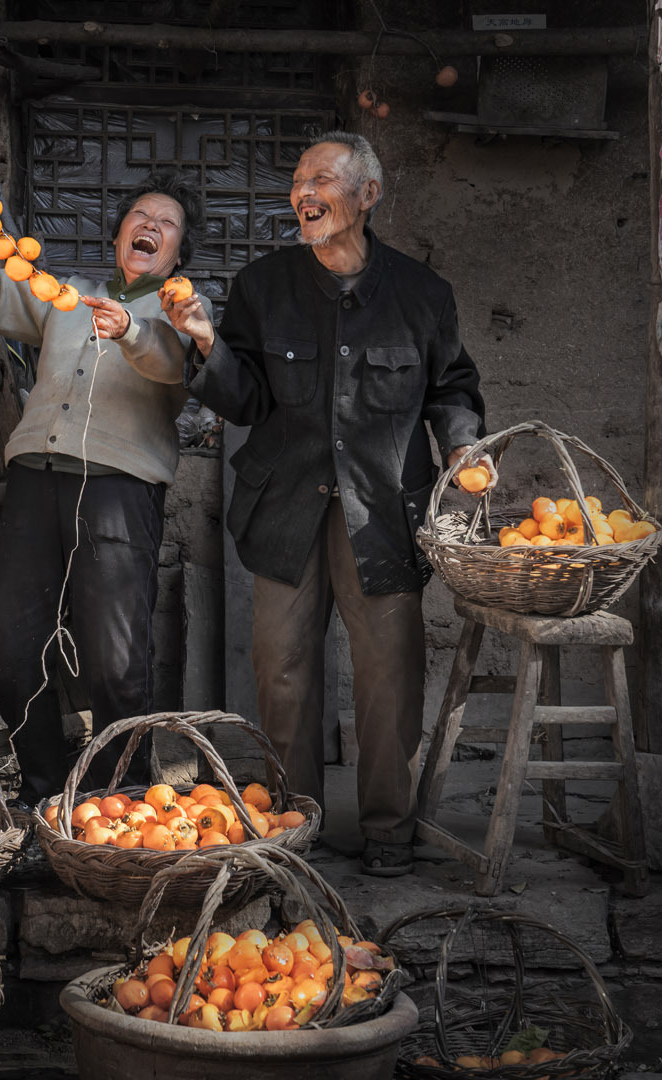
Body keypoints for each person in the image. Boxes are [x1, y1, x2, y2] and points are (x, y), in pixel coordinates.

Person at [147, 131, 494, 876]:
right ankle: (291, 827)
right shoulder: (263, 286)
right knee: (282, 671)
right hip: (285, 509)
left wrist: (464, 447)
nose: (304, 190)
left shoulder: (421, 295)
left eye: (324, 179)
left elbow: (451, 390)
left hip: (382, 515)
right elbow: (243, 400)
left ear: (367, 195)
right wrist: (207, 342)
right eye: (299, 178)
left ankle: (387, 834)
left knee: (387, 678)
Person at [0, 145, 211, 805]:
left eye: (166, 222)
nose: (148, 224)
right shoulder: (69, 298)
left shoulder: (185, 311)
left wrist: (129, 328)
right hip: (36, 482)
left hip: (119, 490)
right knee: (11, 648)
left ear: (178, 253)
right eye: (139, 215)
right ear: (121, 232)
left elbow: (170, 363)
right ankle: (42, 792)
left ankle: (121, 804)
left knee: (115, 664)